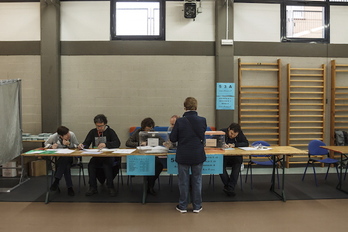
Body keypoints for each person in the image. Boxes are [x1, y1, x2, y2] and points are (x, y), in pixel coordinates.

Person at [170, 97, 207, 213]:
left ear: (184, 107)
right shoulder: (202, 120)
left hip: (183, 155)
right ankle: (197, 206)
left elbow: (172, 138)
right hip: (197, 154)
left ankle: (183, 206)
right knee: (197, 181)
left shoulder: (180, 121)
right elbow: (202, 136)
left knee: (183, 181)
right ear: (196, 107)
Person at [78, 114, 121, 197]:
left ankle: (110, 186)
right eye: (97, 126)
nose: (99, 128)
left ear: (105, 124)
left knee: (107, 165)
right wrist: (82, 146)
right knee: (91, 165)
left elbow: (117, 143)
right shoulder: (93, 132)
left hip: (108, 156)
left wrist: (106, 144)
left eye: (101, 126)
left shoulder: (110, 131)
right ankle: (92, 187)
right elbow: (86, 143)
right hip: (97, 155)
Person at [126, 117, 164, 196]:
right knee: (149, 166)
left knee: (159, 166)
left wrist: (152, 143)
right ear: (143, 127)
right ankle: (149, 186)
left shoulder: (153, 132)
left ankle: (150, 184)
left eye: (150, 129)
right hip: (140, 156)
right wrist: (139, 144)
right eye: (147, 129)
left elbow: (162, 141)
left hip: (152, 155)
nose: (148, 131)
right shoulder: (138, 132)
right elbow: (128, 142)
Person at [45, 126, 79, 196]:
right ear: (61, 136)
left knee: (65, 159)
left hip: (71, 158)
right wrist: (51, 146)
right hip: (58, 160)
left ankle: (56, 181)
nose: (68, 135)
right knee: (66, 166)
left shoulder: (72, 135)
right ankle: (70, 188)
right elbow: (46, 144)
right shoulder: (54, 137)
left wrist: (69, 144)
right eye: (66, 135)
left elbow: (77, 145)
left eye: (68, 133)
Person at [219, 122, 249, 197]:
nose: (232, 136)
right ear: (228, 129)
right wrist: (221, 145)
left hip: (235, 157)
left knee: (237, 165)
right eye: (231, 133)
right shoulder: (221, 132)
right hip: (224, 157)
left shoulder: (239, 133)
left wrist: (235, 145)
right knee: (219, 166)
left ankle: (229, 188)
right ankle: (230, 187)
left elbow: (246, 143)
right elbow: (213, 142)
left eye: (234, 135)